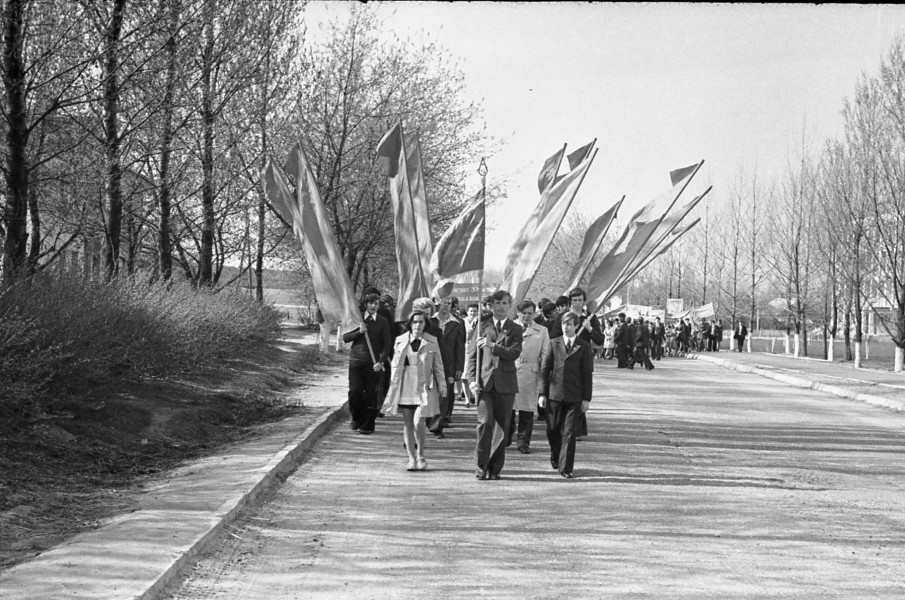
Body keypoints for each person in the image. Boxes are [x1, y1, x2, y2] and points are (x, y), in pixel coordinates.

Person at [467, 289, 523, 481]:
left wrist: (492, 346)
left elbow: (514, 353)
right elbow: (472, 356)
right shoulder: (483, 326)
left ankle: (495, 468)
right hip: (484, 383)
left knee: (502, 427)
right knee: (485, 423)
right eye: (497, 303)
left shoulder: (515, 329)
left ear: (510, 306)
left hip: (506, 384)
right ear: (491, 306)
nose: (500, 307)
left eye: (504, 303)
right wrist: (471, 380)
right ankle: (481, 466)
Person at [381, 310, 446, 471]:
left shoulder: (432, 341)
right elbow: (395, 366)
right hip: (406, 385)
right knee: (408, 423)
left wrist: (442, 386)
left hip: (424, 386)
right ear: (410, 323)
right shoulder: (400, 340)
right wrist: (392, 388)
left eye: (421, 322)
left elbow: (438, 366)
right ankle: (411, 458)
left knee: (419, 422)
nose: (417, 325)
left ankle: (421, 455)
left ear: (425, 324)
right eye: (415, 322)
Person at [539, 311, 593, 479]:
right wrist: (542, 393)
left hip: (574, 396)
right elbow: (545, 370)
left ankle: (566, 468)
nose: (566, 327)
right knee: (553, 430)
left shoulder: (583, 346)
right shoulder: (553, 343)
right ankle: (556, 455)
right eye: (563, 324)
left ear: (576, 326)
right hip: (554, 394)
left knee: (569, 433)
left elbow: (587, 374)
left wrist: (586, 398)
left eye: (569, 324)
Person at [341, 293, 392, 434]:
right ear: (366, 304)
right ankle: (356, 418)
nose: (373, 306)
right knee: (355, 391)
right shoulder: (357, 319)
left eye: (376, 303)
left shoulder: (382, 321)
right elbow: (345, 337)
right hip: (356, 361)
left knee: (371, 393)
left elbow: (387, 344)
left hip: (373, 363)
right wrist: (359, 331)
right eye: (371, 303)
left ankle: (367, 425)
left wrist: (381, 361)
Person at [508, 300, 550, 454]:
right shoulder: (509, 327)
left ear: (534, 314)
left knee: (527, 411)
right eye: (523, 313)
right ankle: (506, 438)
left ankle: (523, 442)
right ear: (518, 313)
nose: (526, 316)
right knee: (508, 409)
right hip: (511, 371)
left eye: (530, 313)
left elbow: (545, 355)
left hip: (530, 373)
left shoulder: (542, 331)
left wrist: (544, 376)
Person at [428, 296, 465, 438]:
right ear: (438, 304)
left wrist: (459, 367)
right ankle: (428, 420)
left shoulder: (458, 323)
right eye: (443, 302)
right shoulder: (429, 320)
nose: (445, 305)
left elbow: (460, 347)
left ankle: (437, 427)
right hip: (430, 361)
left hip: (448, 364)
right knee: (429, 393)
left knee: (444, 395)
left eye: (448, 303)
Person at [460, 302, 480, 406]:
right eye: (471, 311)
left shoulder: (480, 322)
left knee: (474, 374)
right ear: (467, 312)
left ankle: (474, 396)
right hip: (465, 349)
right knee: (465, 376)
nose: (473, 313)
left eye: (475, 311)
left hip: (476, 349)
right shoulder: (462, 322)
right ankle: (467, 399)